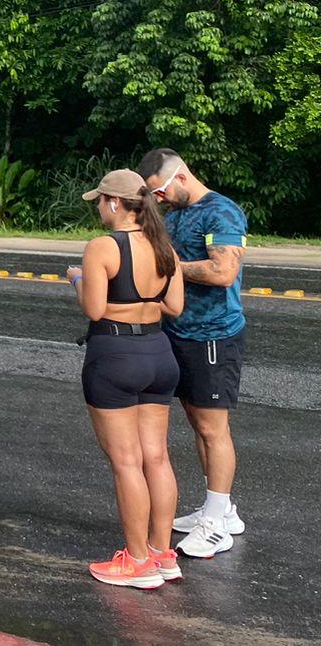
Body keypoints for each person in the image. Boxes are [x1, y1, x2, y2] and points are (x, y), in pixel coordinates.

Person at [67, 169, 186, 589]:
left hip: (115, 356)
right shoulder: (162, 245)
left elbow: (94, 309)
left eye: (99, 201)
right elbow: (174, 305)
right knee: (157, 456)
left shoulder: (103, 247)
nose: (98, 208)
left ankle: (136, 562)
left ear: (115, 203)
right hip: (159, 354)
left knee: (126, 462)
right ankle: (161, 553)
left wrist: (78, 279)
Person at [138, 148, 249, 560]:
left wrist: (165, 264)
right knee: (198, 423)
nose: (158, 200)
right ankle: (222, 507)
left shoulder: (222, 212)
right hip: (180, 333)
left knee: (212, 428)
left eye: (160, 192)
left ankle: (216, 524)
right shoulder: (177, 213)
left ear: (180, 177)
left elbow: (223, 273)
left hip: (214, 335)